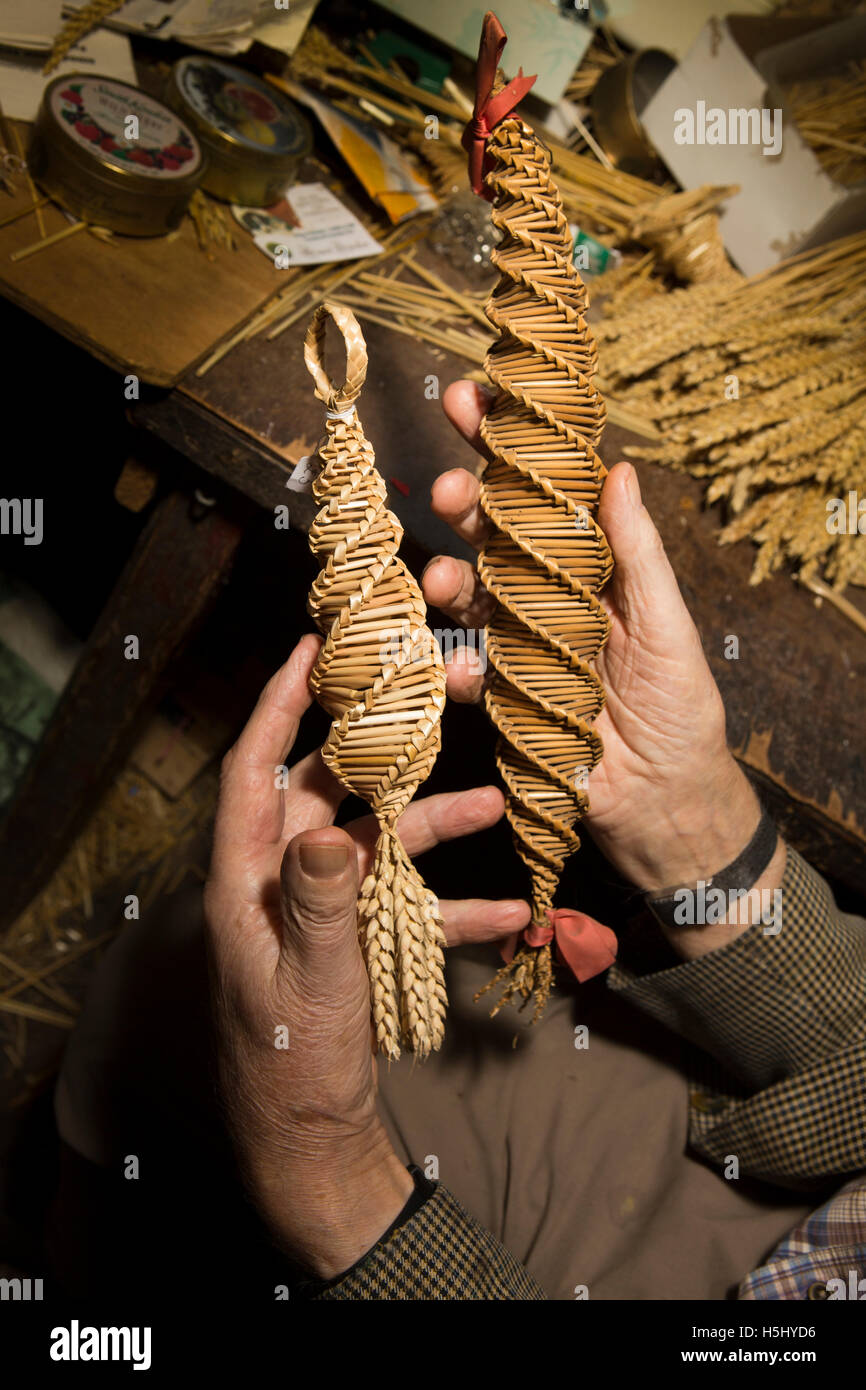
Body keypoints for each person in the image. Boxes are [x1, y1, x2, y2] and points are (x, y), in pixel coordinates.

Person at [198, 379, 866, 1300]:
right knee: (187, 963)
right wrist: (686, 817)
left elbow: (315, 1151)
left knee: (183, 1028)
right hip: (781, 1145)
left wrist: (316, 1163)